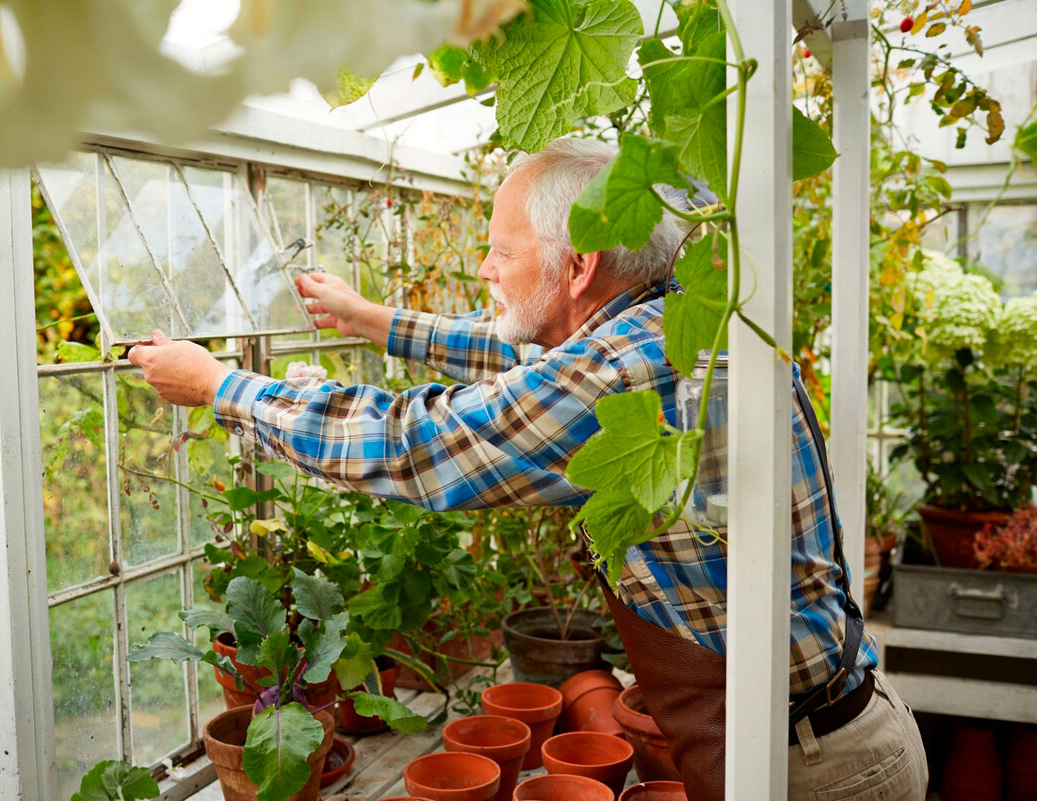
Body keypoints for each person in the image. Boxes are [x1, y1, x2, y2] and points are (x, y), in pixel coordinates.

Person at [128, 136, 928, 800]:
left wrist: (223, 388)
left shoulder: (628, 371)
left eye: (499, 251)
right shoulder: (667, 317)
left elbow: (422, 444)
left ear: (578, 265)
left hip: (815, 771)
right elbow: (526, 343)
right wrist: (378, 322)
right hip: (815, 734)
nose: (485, 269)